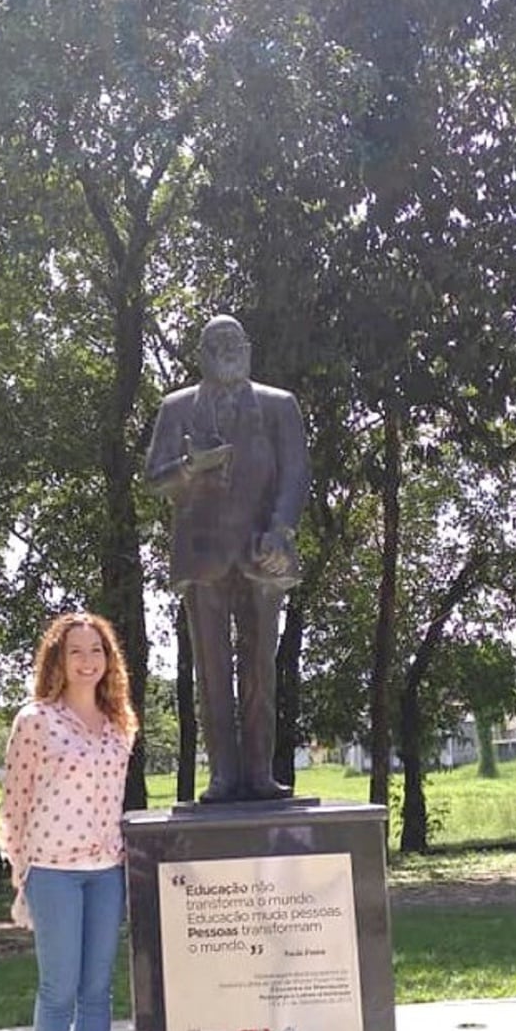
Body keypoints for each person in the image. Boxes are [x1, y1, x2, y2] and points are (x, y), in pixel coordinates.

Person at [145, 314, 309, 802]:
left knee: (260, 667)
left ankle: (260, 772)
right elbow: (156, 478)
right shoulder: (176, 409)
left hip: (263, 553)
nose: (227, 350)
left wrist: (281, 531)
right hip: (202, 557)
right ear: (200, 352)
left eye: (234, 341)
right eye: (216, 343)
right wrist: (190, 467)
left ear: (249, 346)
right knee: (212, 671)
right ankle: (222, 775)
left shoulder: (280, 405)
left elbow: (296, 473)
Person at [0, 612, 138, 1031]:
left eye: (96, 652)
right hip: (53, 871)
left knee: (98, 992)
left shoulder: (120, 723)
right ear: (57, 660)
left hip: (106, 871)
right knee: (58, 992)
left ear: (109, 661)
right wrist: (22, 873)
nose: (87, 661)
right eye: (75, 652)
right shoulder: (34, 721)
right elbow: (15, 802)